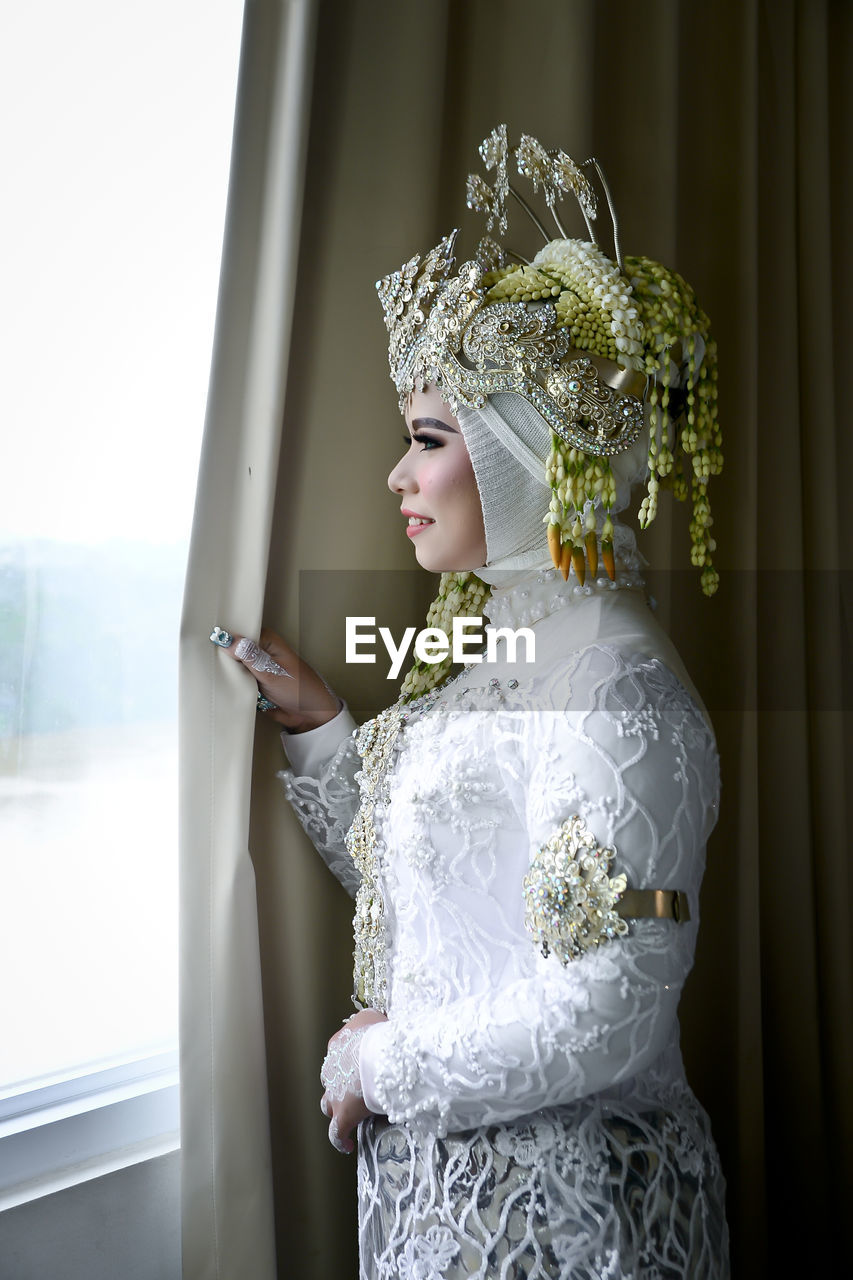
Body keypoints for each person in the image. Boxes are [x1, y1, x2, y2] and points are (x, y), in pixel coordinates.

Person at [211, 127, 730, 1279]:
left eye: (430, 439)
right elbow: (450, 898)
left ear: (531, 456)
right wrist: (315, 726)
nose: (398, 474)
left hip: (573, 1231)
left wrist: (377, 1064)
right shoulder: (503, 653)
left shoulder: (614, 691)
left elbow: (608, 1011)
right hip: (455, 1215)